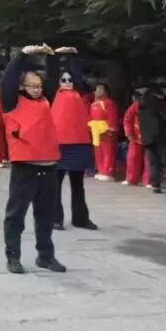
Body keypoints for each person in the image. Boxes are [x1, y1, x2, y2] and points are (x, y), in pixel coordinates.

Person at [0, 45, 67, 274]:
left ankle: (45, 256)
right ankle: (13, 257)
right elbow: (8, 78)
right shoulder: (12, 102)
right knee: (16, 215)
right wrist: (23, 54)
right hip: (24, 167)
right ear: (22, 86)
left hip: (49, 165)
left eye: (39, 86)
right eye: (32, 86)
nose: (37, 90)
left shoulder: (46, 100)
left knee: (45, 216)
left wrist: (52, 57)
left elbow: (53, 79)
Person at [48, 48, 99, 231]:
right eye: (63, 80)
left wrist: (74, 56)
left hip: (78, 144)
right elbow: (52, 73)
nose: (67, 82)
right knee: (55, 185)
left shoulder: (78, 92)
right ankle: (55, 219)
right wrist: (54, 55)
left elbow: (77, 74)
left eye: (70, 80)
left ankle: (80, 219)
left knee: (78, 185)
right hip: (58, 145)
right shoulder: (53, 93)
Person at [139, 85, 166, 193]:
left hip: (148, 138)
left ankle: (155, 185)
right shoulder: (159, 103)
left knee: (153, 162)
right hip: (162, 135)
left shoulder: (142, 104)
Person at [90, 83, 118, 181]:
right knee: (98, 151)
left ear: (106, 91)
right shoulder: (93, 104)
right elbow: (91, 117)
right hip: (96, 130)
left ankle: (108, 172)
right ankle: (101, 170)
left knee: (108, 151)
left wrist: (111, 129)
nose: (98, 91)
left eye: (101, 89)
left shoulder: (109, 103)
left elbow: (112, 116)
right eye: (97, 89)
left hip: (106, 129)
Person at [123, 92, 148, 186]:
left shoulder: (157, 104)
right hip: (135, 137)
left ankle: (149, 181)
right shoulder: (135, 105)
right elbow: (127, 118)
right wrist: (129, 133)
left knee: (149, 159)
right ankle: (131, 179)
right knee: (132, 157)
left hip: (150, 137)